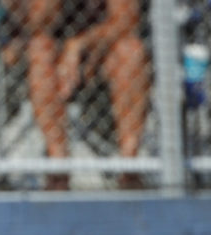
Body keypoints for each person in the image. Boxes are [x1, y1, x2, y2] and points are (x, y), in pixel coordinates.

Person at [8, 0, 150, 189]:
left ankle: (129, 166)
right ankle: (58, 166)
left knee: (131, 50)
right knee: (40, 50)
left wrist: (79, 44)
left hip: (103, 47)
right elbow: (37, 25)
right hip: (54, 52)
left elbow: (127, 20)